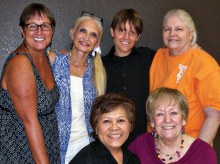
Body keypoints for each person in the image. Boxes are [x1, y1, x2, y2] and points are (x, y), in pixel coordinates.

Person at [149, 9, 220, 144]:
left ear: (191, 34)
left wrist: (197, 152)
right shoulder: (158, 56)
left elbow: (215, 114)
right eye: (167, 29)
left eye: (179, 29)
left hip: (189, 148)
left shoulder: (203, 62)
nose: (172, 34)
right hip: (158, 148)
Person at [0, 3, 60, 163]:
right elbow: (29, 120)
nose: (39, 32)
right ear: (22, 30)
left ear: (52, 30)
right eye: (32, 26)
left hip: (44, 144)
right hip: (21, 150)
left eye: (45, 26)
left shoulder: (45, 57)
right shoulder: (20, 62)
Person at [49, 11, 106, 164]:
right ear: (72, 33)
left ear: (97, 43)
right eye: (82, 30)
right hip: (53, 148)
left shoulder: (97, 72)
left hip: (86, 149)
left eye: (93, 35)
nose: (86, 37)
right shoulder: (53, 61)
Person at [102, 9, 156, 146]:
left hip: (143, 140)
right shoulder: (100, 65)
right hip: (112, 140)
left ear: (138, 36)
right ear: (112, 32)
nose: (126, 37)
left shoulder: (148, 57)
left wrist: (191, 47)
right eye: (121, 30)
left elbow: (174, 56)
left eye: (132, 32)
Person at [128, 87, 217, 164]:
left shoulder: (204, 152)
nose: (167, 120)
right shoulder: (140, 145)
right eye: (160, 114)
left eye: (173, 113)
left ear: (184, 119)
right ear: (151, 121)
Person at [70, 93, 140, 164]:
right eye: (107, 121)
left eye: (120, 120)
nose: (114, 127)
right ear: (96, 127)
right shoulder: (84, 160)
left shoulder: (133, 159)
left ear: (130, 126)